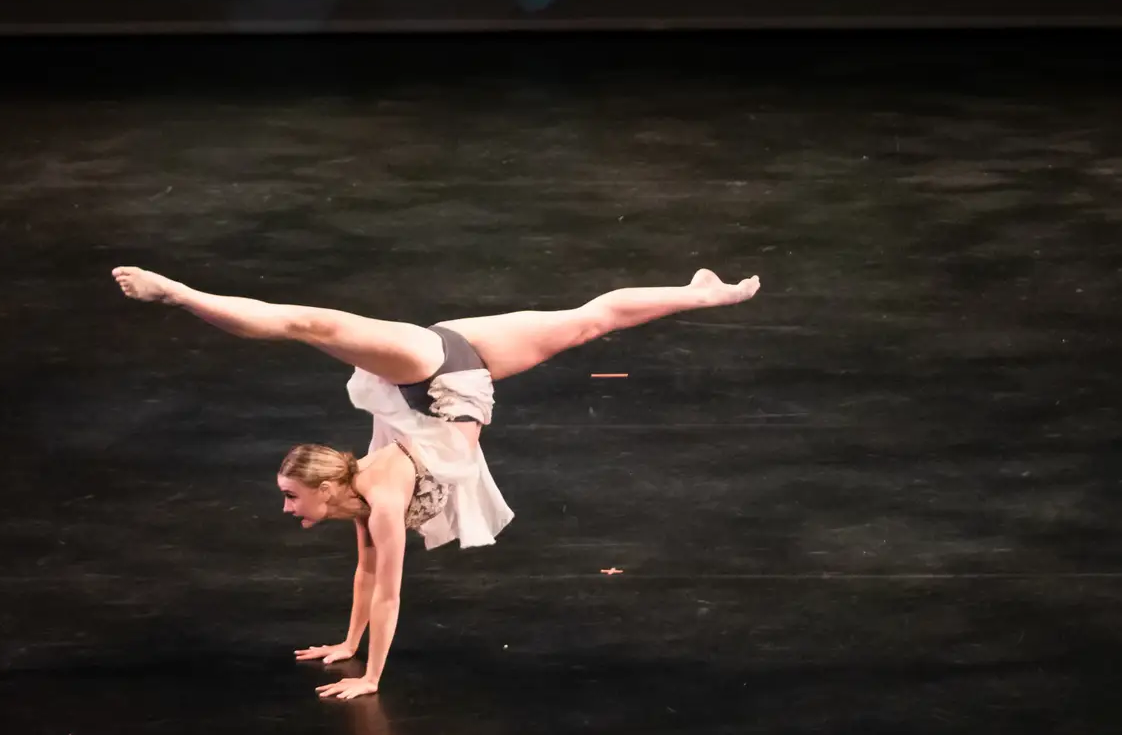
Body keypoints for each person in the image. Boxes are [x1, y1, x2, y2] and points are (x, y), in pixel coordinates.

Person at [110, 265, 761, 699]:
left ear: (324, 488)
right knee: (589, 319)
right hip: (458, 366)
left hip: (434, 379)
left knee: (306, 324)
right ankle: (701, 291)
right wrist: (346, 642)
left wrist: (370, 676)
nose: (286, 508)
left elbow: (390, 594)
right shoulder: (360, 495)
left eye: (291, 496)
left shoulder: (383, 502)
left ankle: (179, 293)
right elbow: (365, 577)